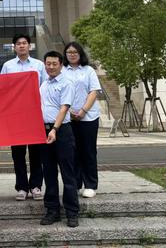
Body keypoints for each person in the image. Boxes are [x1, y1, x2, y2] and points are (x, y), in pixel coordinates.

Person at [0, 33, 46, 201]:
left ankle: (35, 186)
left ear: (29, 46)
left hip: (34, 115)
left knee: (36, 153)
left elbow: (45, 88)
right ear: (14, 47)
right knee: (17, 154)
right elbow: (3, 89)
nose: (21, 46)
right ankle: (21, 187)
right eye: (18, 43)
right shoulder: (8, 66)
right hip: (15, 116)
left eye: (24, 43)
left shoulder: (39, 65)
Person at [39, 50, 79, 227]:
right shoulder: (44, 84)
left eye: (54, 64)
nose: (51, 67)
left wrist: (54, 129)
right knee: (48, 173)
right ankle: (52, 211)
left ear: (61, 65)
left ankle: (72, 213)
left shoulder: (67, 83)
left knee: (68, 174)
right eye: (48, 64)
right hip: (44, 132)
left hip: (61, 132)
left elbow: (64, 108)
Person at [62, 41, 101, 198]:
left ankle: (91, 184)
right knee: (72, 152)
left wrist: (83, 110)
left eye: (74, 52)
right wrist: (69, 111)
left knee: (88, 151)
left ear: (80, 54)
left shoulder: (88, 70)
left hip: (89, 117)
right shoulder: (62, 71)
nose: (71, 54)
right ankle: (76, 183)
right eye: (69, 52)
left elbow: (93, 91)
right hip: (68, 117)